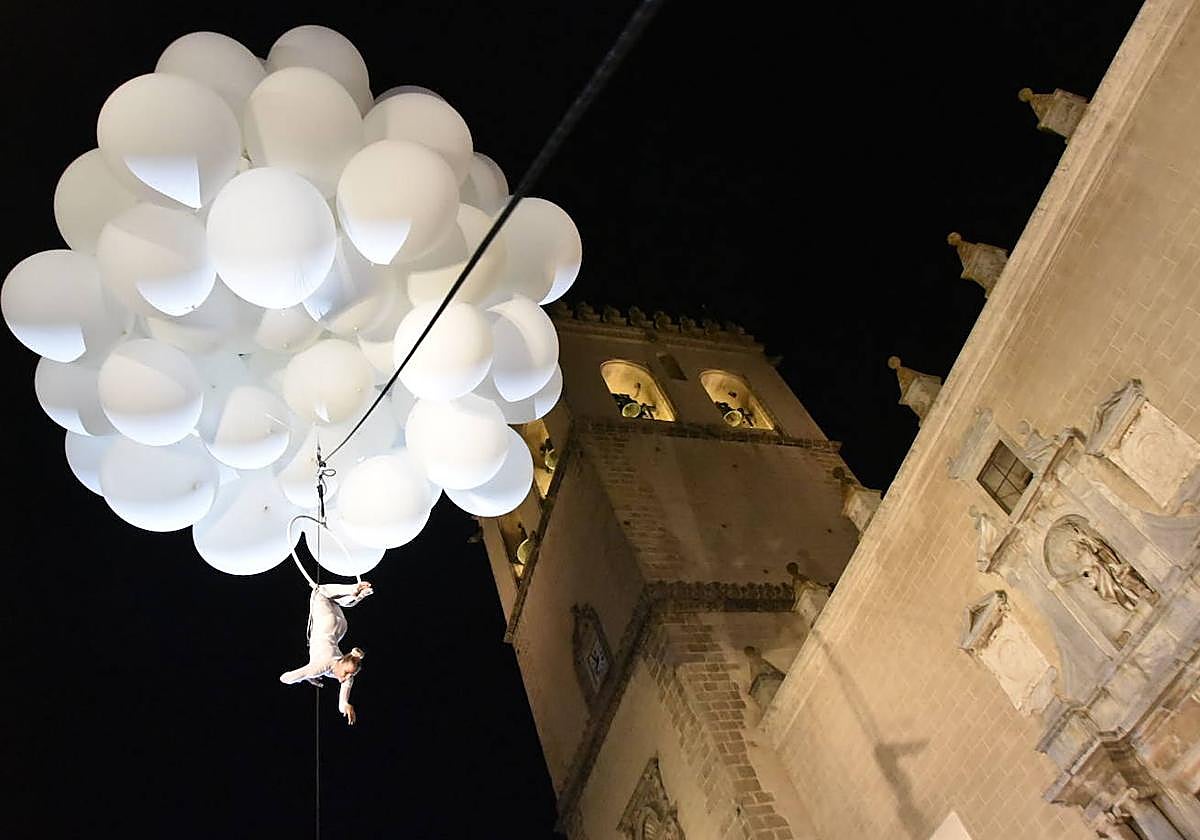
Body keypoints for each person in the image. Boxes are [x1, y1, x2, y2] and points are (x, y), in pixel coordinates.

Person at [280, 580, 373, 725]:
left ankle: (357, 595)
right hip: (326, 623)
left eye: (351, 675)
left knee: (333, 600)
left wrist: (347, 706)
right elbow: (285, 679)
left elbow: (342, 704)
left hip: (340, 628)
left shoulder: (346, 676)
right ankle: (354, 590)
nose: (347, 678)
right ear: (342, 662)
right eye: (347, 673)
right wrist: (308, 674)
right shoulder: (323, 666)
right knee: (319, 591)